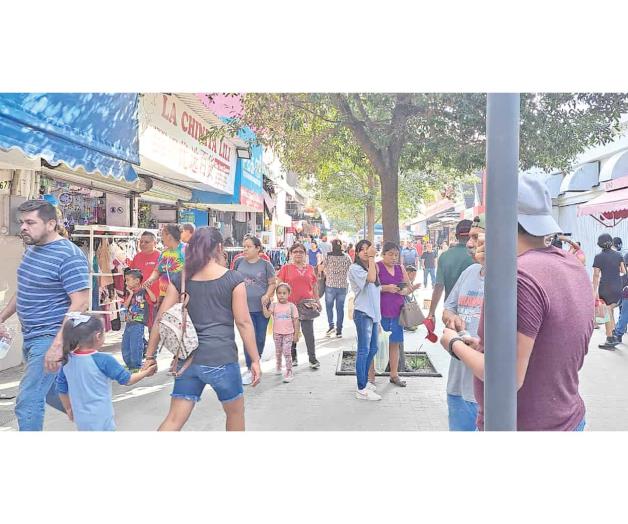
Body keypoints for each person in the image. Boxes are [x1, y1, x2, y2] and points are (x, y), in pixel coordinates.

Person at [440, 173, 594, 431]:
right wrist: (483, 347)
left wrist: (453, 343)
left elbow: (505, 379)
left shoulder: (518, 276)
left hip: (524, 426)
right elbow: (552, 344)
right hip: (568, 417)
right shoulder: (571, 264)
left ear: (501, 221)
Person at [143, 227, 261, 431]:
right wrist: (255, 360)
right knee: (235, 413)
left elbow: (160, 319)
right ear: (219, 247)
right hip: (222, 359)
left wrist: (150, 357)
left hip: (188, 361)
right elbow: (243, 323)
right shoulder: (233, 279)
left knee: (174, 419)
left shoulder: (181, 278)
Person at [0, 200, 89, 431]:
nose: (23, 227)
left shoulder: (69, 255)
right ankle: (95, 422)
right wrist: (2, 317)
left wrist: (57, 345)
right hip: (31, 336)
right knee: (52, 393)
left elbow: (80, 302)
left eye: (31, 222)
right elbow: (24, 289)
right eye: (22, 222)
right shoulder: (32, 250)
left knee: (28, 400)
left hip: (51, 335)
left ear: (51, 224)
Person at [56, 313, 156, 431]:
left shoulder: (67, 360)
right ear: (98, 336)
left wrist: (68, 408)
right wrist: (146, 372)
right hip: (102, 418)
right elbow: (127, 380)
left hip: (80, 418)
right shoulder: (104, 360)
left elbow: (61, 388)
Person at [441, 215, 485, 431]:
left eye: (476, 238)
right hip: (458, 385)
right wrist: (452, 318)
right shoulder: (469, 273)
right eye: (470, 237)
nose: (469, 244)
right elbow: (448, 309)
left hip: (484, 390)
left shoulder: (513, 280)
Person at [374, 242, 418, 387]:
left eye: (396, 255)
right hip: (380, 312)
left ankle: (394, 375)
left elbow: (407, 289)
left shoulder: (400, 268)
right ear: (383, 254)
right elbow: (371, 288)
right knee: (375, 344)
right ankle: (371, 376)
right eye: (391, 254)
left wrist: (408, 289)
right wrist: (385, 288)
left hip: (397, 311)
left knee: (395, 344)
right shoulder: (377, 267)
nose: (394, 258)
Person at [234, 235, 276, 385]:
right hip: (243, 308)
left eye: (249, 246)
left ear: (258, 248)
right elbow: (233, 281)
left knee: (259, 338)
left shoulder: (266, 265)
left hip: (261, 309)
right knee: (248, 338)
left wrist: (267, 295)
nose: (245, 249)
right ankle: (249, 367)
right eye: (244, 246)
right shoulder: (238, 262)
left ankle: (256, 362)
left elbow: (272, 283)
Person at [277, 243, 321, 368]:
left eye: (301, 252)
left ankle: (312, 359)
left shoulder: (310, 268)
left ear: (305, 254)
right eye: (295, 251)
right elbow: (279, 286)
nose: (298, 254)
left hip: (307, 305)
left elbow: (314, 286)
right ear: (291, 254)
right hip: (290, 305)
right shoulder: (286, 268)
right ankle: (293, 357)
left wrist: (317, 301)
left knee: (309, 333)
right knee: (291, 333)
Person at [349, 240, 382, 401]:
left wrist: (379, 319)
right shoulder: (354, 268)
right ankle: (361, 387)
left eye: (367, 249)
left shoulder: (371, 266)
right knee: (364, 349)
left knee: (373, 348)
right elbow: (371, 278)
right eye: (361, 249)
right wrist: (372, 258)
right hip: (363, 313)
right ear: (356, 253)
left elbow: (376, 290)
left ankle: (363, 380)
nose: (365, 252)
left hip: (373, 314)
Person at [427, 220, 474, 321]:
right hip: (475, 312)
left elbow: (439, 286)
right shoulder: (479, 257)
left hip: (451, 312)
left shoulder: (445, 256)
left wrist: (431, 313)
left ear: (456, 236)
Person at [593, 233, 626, 349]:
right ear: (611, 242)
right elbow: (623, 271)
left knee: (607, 312)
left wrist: (594, 291)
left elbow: (596, 275)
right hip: (617, 286)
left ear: (599, 244)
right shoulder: (618, 255)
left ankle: (609, 339)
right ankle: (613, 335)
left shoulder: (598, 257)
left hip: (605, 288)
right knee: (610, 310)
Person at [262, 283, 300, 383]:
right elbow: (266, 315)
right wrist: (264, 305)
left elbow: (296, 321)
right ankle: (278, 366)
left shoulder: (291, 306)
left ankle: (289, 372)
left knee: (287, 352)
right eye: (279, 293)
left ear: (288, 294)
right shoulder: (274, 305)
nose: (281, 295)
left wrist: (296, 334)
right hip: (277, 334)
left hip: (289, 333)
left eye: (284, 293)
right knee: (278, 352)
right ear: (276, 294)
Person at [143, 224, 185, 309]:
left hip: (179, 296)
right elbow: (157, 270)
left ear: (169, 237)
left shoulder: (185, 250)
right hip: (163, 296)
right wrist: (151, 279)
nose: (161, 238)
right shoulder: (164, 253)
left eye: (162, 235)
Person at [122, 269, 156, 371]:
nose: (126, 282)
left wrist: (147, 288)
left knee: (135, 345)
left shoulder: (143, 292)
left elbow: (154, 299)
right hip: (129, 322)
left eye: (128, 280)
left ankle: (136, 365)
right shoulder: (129, 293)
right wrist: (130, 294)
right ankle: (129, 364)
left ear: (137, 281)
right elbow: (125, 306)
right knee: (125, 345)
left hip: (139, 323)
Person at [322, 239, 352, 338]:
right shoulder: (346, 257)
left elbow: (322, 268)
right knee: (340, 308)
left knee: (329, 307)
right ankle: (339, 330)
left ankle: (331, 326)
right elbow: (350, 269)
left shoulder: (328, 256)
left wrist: (328, 273)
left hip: (330, 285)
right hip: (343, 286)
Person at [131, 231, 161, 327]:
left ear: (155, 243)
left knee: (155, 327)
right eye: (141, 242)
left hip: (156, 299)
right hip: (140, 300)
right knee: (138, 326)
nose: (143, 244)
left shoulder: (161, 256)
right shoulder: (137, 257)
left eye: (146, 242)